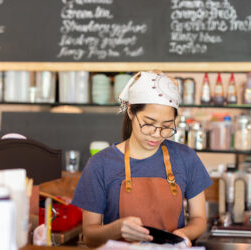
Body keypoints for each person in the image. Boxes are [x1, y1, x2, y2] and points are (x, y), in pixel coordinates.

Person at [72, 71, 212, 248]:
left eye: (166, 127)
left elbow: (199, 219)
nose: (156, 134)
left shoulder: (186, 158)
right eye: (148, 123)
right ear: (131, 111)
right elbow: (90, 236)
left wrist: (183, 234)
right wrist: (118, 228)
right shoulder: (100, 164)